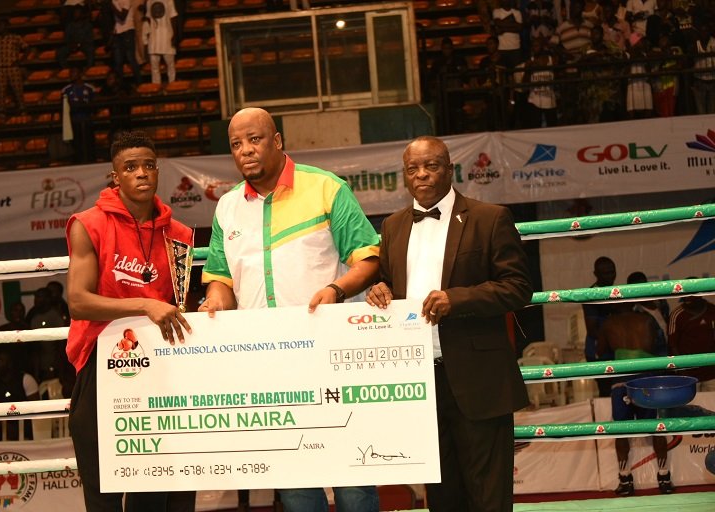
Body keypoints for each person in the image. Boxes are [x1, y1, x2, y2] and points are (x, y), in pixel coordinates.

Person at [199, 107, 380, 512]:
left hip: (332, 357)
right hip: (265, 365)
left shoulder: (326, 188)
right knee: (295, 484)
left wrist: (336, 288)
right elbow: (222, 280)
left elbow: (368, 258)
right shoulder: (227, 207)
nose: (245, 150)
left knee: (353, 476)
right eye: (235, 144)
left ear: (277, 141)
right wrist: (212, 301)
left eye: (255, 139)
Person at [366, 136, 532, 512]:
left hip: (479, 377)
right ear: (405, 176)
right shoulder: (392, 227)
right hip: (419, 380)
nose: (422, 174)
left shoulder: (491, 217)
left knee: (488, 496)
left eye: (432, 166)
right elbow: (393, 285)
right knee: (442, 497)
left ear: (449, 169)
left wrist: (456, 299)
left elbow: (519, 288)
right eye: (413, 168)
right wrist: (380, 291)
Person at [66, 130, 195, 512]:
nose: (142, 173)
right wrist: (144, 305)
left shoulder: (180, 235)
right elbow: (77, 301)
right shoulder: (88, 224)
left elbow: (178, 305)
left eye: (149, 165)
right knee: (102, 492)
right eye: (131, 167)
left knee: (162, 490)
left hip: (161, 369)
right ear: (115, 176)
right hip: (100, 364)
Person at [596, 301, 674, 496]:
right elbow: (661, 347)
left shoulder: (608, 324)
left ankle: (625, 480)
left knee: (621, 431)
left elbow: (599, 352)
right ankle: (664, 478)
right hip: (646, 380)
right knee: (656, 429)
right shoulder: (647, 320)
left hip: (621, 380)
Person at [0, 346, 39, 441]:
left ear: (10, 363)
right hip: (2, 429)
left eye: (0, 360)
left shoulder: (26, 380)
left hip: (26, 426)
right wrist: (6, 426)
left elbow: (36, 410)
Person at [582, 255, 617, 397]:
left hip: (615, 351)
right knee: (607, 394)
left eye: (612, 271)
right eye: (605, 273)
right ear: (596, 274)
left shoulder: (616, 292)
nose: (610, 276)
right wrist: (615, 340)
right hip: (599, 352)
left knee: (620, 392)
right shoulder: (591, 295)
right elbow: (592, 329)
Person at [668, 292, 715, 391]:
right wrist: (681, 370)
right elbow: (672, 345)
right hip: (689, 375)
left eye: (690, 297)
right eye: (685, 298)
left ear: (700, 296)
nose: (687, 300)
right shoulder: (677, 314)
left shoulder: (712, 310)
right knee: (692, 405)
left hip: (712, 373)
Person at [0, 20, 28, 120]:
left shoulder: (15, 37)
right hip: (0, 68)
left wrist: (20, 61)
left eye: (1, 25)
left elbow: (26, 48)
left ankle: (22, 110)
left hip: (13, 67)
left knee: (18, 90)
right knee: (1, 92)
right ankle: (2, 113)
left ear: (6, 27)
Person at [62, 66, 97, 164]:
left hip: (87, 121)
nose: (71, 75)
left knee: (89, 145)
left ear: (80, 74)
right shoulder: (66, 90)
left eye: (74, 72)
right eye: (70, 73)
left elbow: (95, 106)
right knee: (77, 147)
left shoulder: (90, 88)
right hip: (73, 123)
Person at [145, 0, 178, 84]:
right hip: (154, 39)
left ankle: (172, 85)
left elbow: (173, 18)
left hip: (167, 36)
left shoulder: (169, 1)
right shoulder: (149, 1)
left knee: (170, 65)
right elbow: (148, 19)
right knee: (154, 68)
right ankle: (156, 87)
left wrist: (174, 35)